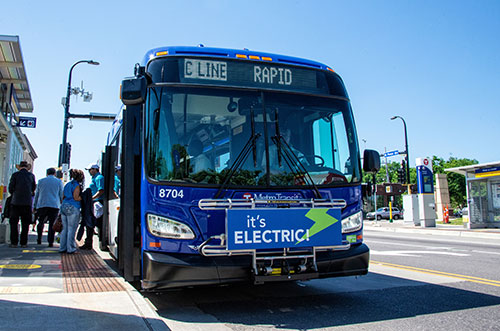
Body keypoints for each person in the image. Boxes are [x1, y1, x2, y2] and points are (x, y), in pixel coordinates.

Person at [8, 160, 36, 248]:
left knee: (14, 223)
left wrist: (14, 193)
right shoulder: (31, 176)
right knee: (25, 223)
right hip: (27, 202)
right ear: (27, 167)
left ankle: (14, 242)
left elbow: (10, 188)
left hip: (16, 201)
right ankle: (24, 242)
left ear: (20, 167)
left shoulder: (15, 175)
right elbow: (33, 188)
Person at [33, 167, 64, 247]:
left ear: (47, 173)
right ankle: (50, 241)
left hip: (42, 204)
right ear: (54, 173)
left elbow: (37, 194)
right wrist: (61, 203)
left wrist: (34, 205)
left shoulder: (41, 181)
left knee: (41, 222)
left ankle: (39, 238)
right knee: (52, 224)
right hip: (54, 205)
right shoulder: (58, 181)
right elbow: (61, 194)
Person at [79, 163, 104, 250]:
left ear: (95, 169)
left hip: (97, 203)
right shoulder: (94, 178)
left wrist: (92, 198)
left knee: (91, 223)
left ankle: (89, 243)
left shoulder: (99, 178)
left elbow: (101, 190)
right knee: (90, 223)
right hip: (94, 202)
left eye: (90, 169)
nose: (89, 172)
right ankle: (88, 242)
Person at [59, 169, 84, 254]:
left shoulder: (67, 184)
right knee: (71, 229)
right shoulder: (76, 185)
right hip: (73, 207)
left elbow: (63, 197)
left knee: (64, 229)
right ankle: (71, 248)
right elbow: (76, 197)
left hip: (64, 206)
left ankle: (62, 247)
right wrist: (83, 198)